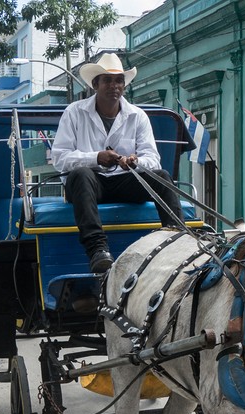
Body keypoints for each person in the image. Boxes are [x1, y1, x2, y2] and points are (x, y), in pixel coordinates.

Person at [51, 53, 184, 273]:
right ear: (96, 84)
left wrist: (135, 162)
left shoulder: (138, 116)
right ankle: (98, 250)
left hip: (124, 183)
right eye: (107, 80)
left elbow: (153, 158)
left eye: (119, 81)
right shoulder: (74, 112)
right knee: (81, 174)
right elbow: (60, 158)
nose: (114, 86)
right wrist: (96, 157)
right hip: (89, 186)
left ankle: (178, 240)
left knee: (161, 176)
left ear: (124, 85)